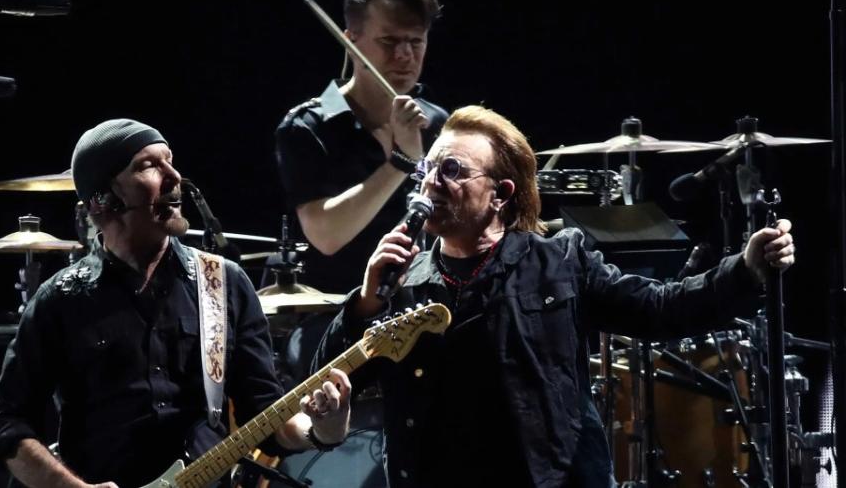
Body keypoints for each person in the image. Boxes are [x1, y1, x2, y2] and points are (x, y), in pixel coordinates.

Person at [311, 106, 796, 487]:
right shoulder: (402, 281)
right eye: (428, 169)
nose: (431, 181)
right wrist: (368, 299)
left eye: (452, 169)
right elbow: (328, 381)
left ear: (500, 194)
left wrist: (746, 269)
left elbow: (660, 308)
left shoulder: (559, 262)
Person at [0, 119, 351, 488]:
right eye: (147, 166)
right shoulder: (60, 299)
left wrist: (321, 428)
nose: (174, 176)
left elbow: (268, 420)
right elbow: (5, 426)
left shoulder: (223, 283)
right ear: (103, 201)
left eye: (170, 160)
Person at [275, 0, 448, 294]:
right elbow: (326, 236)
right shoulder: (307, 125)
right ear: (350, 40)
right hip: (338, 313)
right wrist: (401, 162)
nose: (404, 55)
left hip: (423, 307)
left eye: (416, 41)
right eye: (389, 41)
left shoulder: (435, 120)